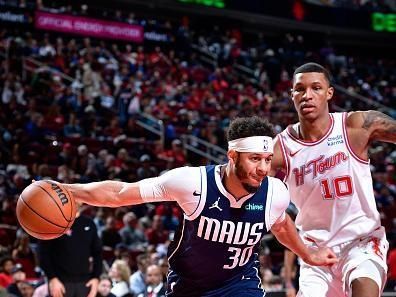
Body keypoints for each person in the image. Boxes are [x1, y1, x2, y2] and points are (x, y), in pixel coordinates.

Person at [51, 116, 337, 297]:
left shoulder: (274, 192)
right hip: (188, 285)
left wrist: (308, 254)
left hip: (239, 283)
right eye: (254, 159)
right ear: (232, 155)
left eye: (266, 159)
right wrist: (71, 191)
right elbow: (121, 193)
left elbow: (281, 224)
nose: (263, 168)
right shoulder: (191, 182)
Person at [271, 62, 396, 297]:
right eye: (300, 89)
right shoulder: (281, 147)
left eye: (316, 88)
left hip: (362, 243)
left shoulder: (355, 126)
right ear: (292, 95)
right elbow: (249, 189)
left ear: (329, 93)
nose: (307, 95)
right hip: (316, 253)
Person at [38, 206, 102, 297]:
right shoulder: (52, 222)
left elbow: (98, 253)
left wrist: (96, 278)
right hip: (60, 282)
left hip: (85, 282)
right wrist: (52, 278)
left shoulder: (89, 223)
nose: (77, 201)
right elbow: (43, 254)